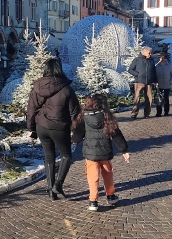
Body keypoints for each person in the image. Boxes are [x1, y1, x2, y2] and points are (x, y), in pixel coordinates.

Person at [27, 58, 80, 201]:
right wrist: (76, 132)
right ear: (59, 68)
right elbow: (75, 112)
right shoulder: (66, 88)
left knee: (49, 157)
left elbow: (31, 109)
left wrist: (32, 130)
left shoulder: (37, 87)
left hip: (41, 126)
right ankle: (58, 184)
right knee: (66, 155)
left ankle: (51, 191)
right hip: (59, 127)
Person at [71, 94, 130, 211]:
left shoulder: (83, 117)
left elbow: (78, 134)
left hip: (90, 153)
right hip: (105, 152)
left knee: (93, 177)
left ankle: (93, 201)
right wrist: (124, 150)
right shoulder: (107, 116)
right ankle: (111, 196)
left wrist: (74, 141)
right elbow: (116, 134)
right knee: (108, 175)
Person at [127, 46, 157, 119]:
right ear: (144, 52)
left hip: (149, 82)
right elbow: (130, 69)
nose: (150, 54)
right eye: (149, 53)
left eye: (150, 53)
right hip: (139, 82)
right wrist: (138, 75)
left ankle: (147, 113)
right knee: (137, 98)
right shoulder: (137, 60)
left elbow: (154, 71)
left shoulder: (151, 60)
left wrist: (156, 81)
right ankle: (134, 113)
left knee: (149, 98)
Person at [155, 53, 172, 117]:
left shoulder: (169, 66)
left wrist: (171, 82)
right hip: (159, 85)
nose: (163, 60)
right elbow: (154, 75)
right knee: (158, 99)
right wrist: (155, 82)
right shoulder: (156, 66)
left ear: (166, 59)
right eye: (161, 58)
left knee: (166, 99)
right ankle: (158, 112)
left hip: (167, 85)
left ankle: (166, 112)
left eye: (164, 58)